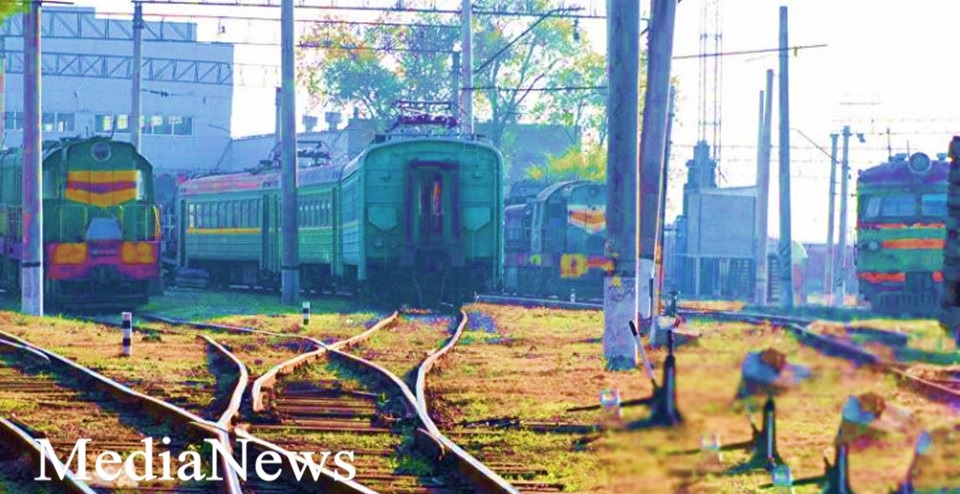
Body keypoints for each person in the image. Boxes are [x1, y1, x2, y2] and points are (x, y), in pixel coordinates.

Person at [735, 348, 812, 401]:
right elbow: (785, 384)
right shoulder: (760, 372)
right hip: (755, 390)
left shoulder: (754, 356)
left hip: (762, 375)